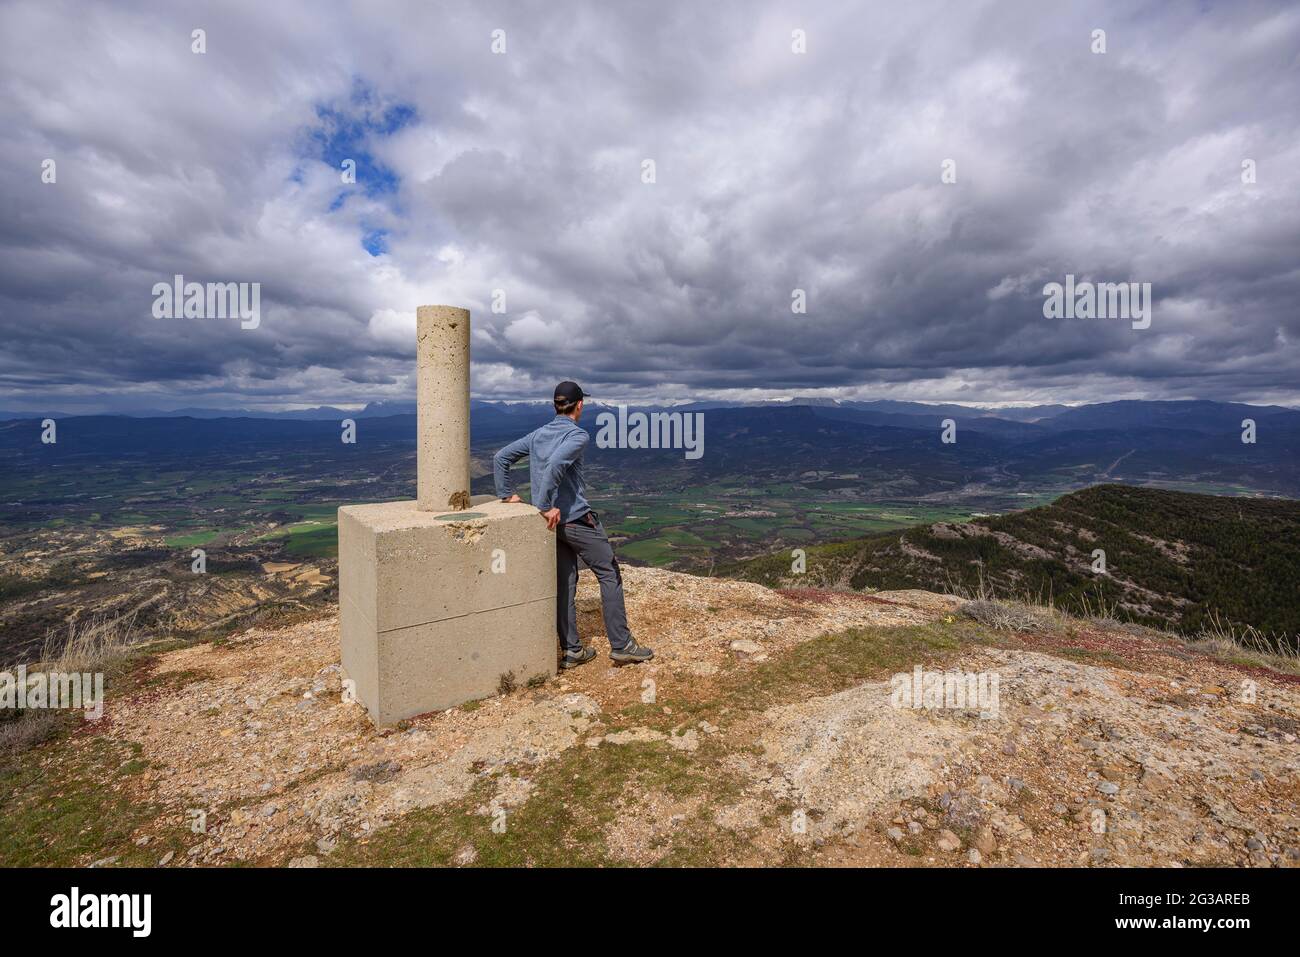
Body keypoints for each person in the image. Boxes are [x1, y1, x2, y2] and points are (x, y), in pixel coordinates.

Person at [493, 381, 654, 668]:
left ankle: (572, 651)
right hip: (576, 519)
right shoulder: (578, 436)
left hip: (552, 526)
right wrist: (544, 505)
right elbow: (556, 465)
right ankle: (622, 645)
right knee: (609, 573)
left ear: (555, 405)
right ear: (580, 405)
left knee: (566, 583)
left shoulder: (538, 434)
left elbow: (501, 457)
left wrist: (506, 493)